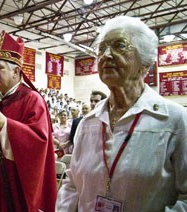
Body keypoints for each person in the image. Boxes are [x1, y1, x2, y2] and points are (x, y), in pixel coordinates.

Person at [57, 16, 187, 211]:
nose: (106, 55)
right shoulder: (88, 123)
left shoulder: (174, 121)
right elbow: (73, 185)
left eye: (119, 46)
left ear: (145, 63)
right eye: (101, 49)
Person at [0, 31, 57, 212]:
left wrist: (6, 125)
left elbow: (39, 143)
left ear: (16, 71)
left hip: (12, 185)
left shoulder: (32, 99)